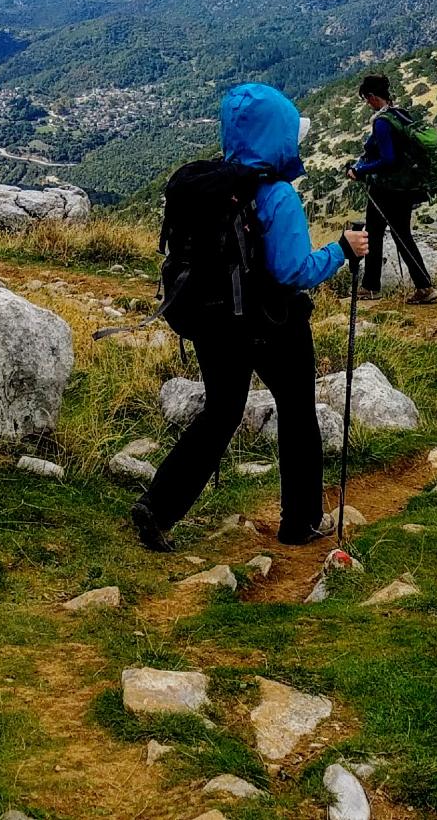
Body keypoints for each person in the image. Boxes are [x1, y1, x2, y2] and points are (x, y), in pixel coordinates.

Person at [132, 82, 370, 552]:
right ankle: (300, 521)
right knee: (298, 413)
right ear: (278, 137)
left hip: (212, 321)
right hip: (272, 323)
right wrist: (342, 249)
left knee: (221, 411)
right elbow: (292, 270)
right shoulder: (277, 195)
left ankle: (158, 507)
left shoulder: (211, 187)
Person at [347, 73, 437, 303]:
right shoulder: (400, 115)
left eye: (367, 99)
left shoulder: (382, 122)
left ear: (373, 97)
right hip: (404, 188)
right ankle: (422, 286)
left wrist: (360, 171)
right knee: (400, 235)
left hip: (386, 189)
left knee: (376, 234)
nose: (367, 103)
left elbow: (388, 159)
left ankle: (371, 287)